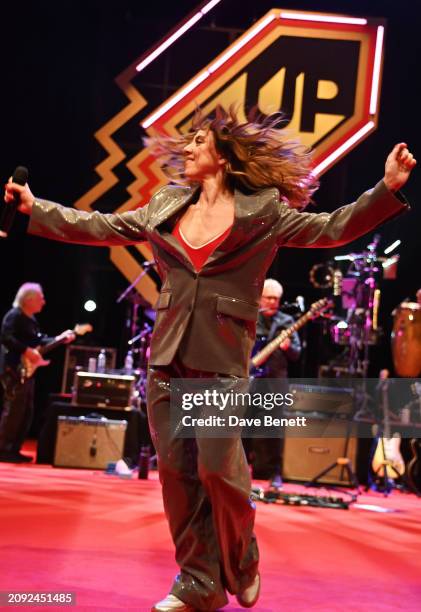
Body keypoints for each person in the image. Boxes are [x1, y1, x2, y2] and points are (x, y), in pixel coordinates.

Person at [4, 106, 416, 611]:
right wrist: (33, 208)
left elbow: (330, 228)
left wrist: (385, 190)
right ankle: (198, 581)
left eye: (199, 141)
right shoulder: (164, 206)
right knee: (177, 476)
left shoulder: (263, 212)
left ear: (222, 156)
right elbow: (99, 225)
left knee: (219, 469)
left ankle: (241, 559)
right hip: (168, 356)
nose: (190, 149)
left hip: (221, 358)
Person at [0, 283, 75, 463]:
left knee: (26, 411)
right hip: (13, 369)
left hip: (26, 371)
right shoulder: (14, 316)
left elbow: (39, 343)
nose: (44, 302)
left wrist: (60, 339)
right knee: (14, 410)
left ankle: (14, 449)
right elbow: (5, 337)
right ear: (29, 299)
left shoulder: (31, 320)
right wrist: (25, 350)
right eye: (41, 298)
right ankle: (3, 449)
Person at [247, 278, 301, 489]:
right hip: (250, 382)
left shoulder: (287, 322)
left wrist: (289, 348)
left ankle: (273, 473)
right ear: (260, 298)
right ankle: (241, 470)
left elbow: (297, 354)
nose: (272, 302)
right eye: (268, 298)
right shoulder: (250, 318)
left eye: (276, 299)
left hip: (275, 383)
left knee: (273, 430)